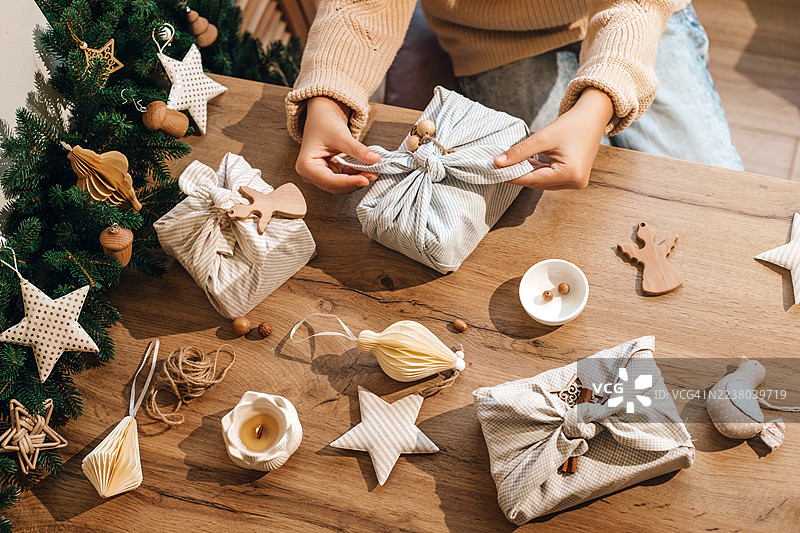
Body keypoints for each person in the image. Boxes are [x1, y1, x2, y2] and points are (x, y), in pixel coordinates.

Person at [285, 0, 743, 195]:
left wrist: (600, 99)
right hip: (493, 38)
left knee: (719, 195)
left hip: (639, 15)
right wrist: (329, 95)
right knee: (564, 211)